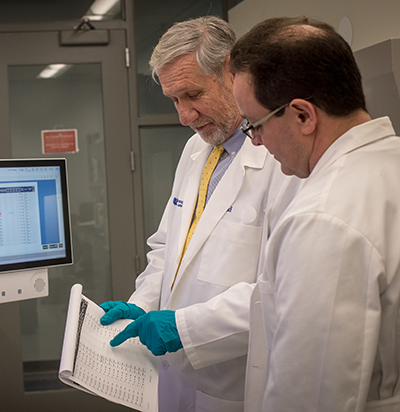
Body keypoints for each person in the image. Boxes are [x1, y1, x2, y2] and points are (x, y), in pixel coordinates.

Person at [99, 16, 301, 412]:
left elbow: (283, 288)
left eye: (192, 94)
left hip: (234, 383)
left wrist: (186, 328)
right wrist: (143, 303)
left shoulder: (283, 161)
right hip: (174, 374)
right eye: (174, 100)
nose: (184, 116)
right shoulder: (196, 151)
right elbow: (167, 248)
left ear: (232, 71)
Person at [230, 16, 400, 412]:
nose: (256, 142)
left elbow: (310, 395)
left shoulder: (322, 218)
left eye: (255, 125)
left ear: (303, 115)